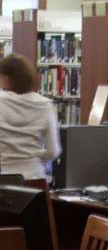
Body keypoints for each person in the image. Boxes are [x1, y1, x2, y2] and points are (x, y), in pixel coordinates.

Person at [0, 54, 61, 183]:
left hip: (6, 179)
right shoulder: (45, 105)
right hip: (36, 179)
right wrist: (34, 155)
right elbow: (53, 151)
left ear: (6, 78)